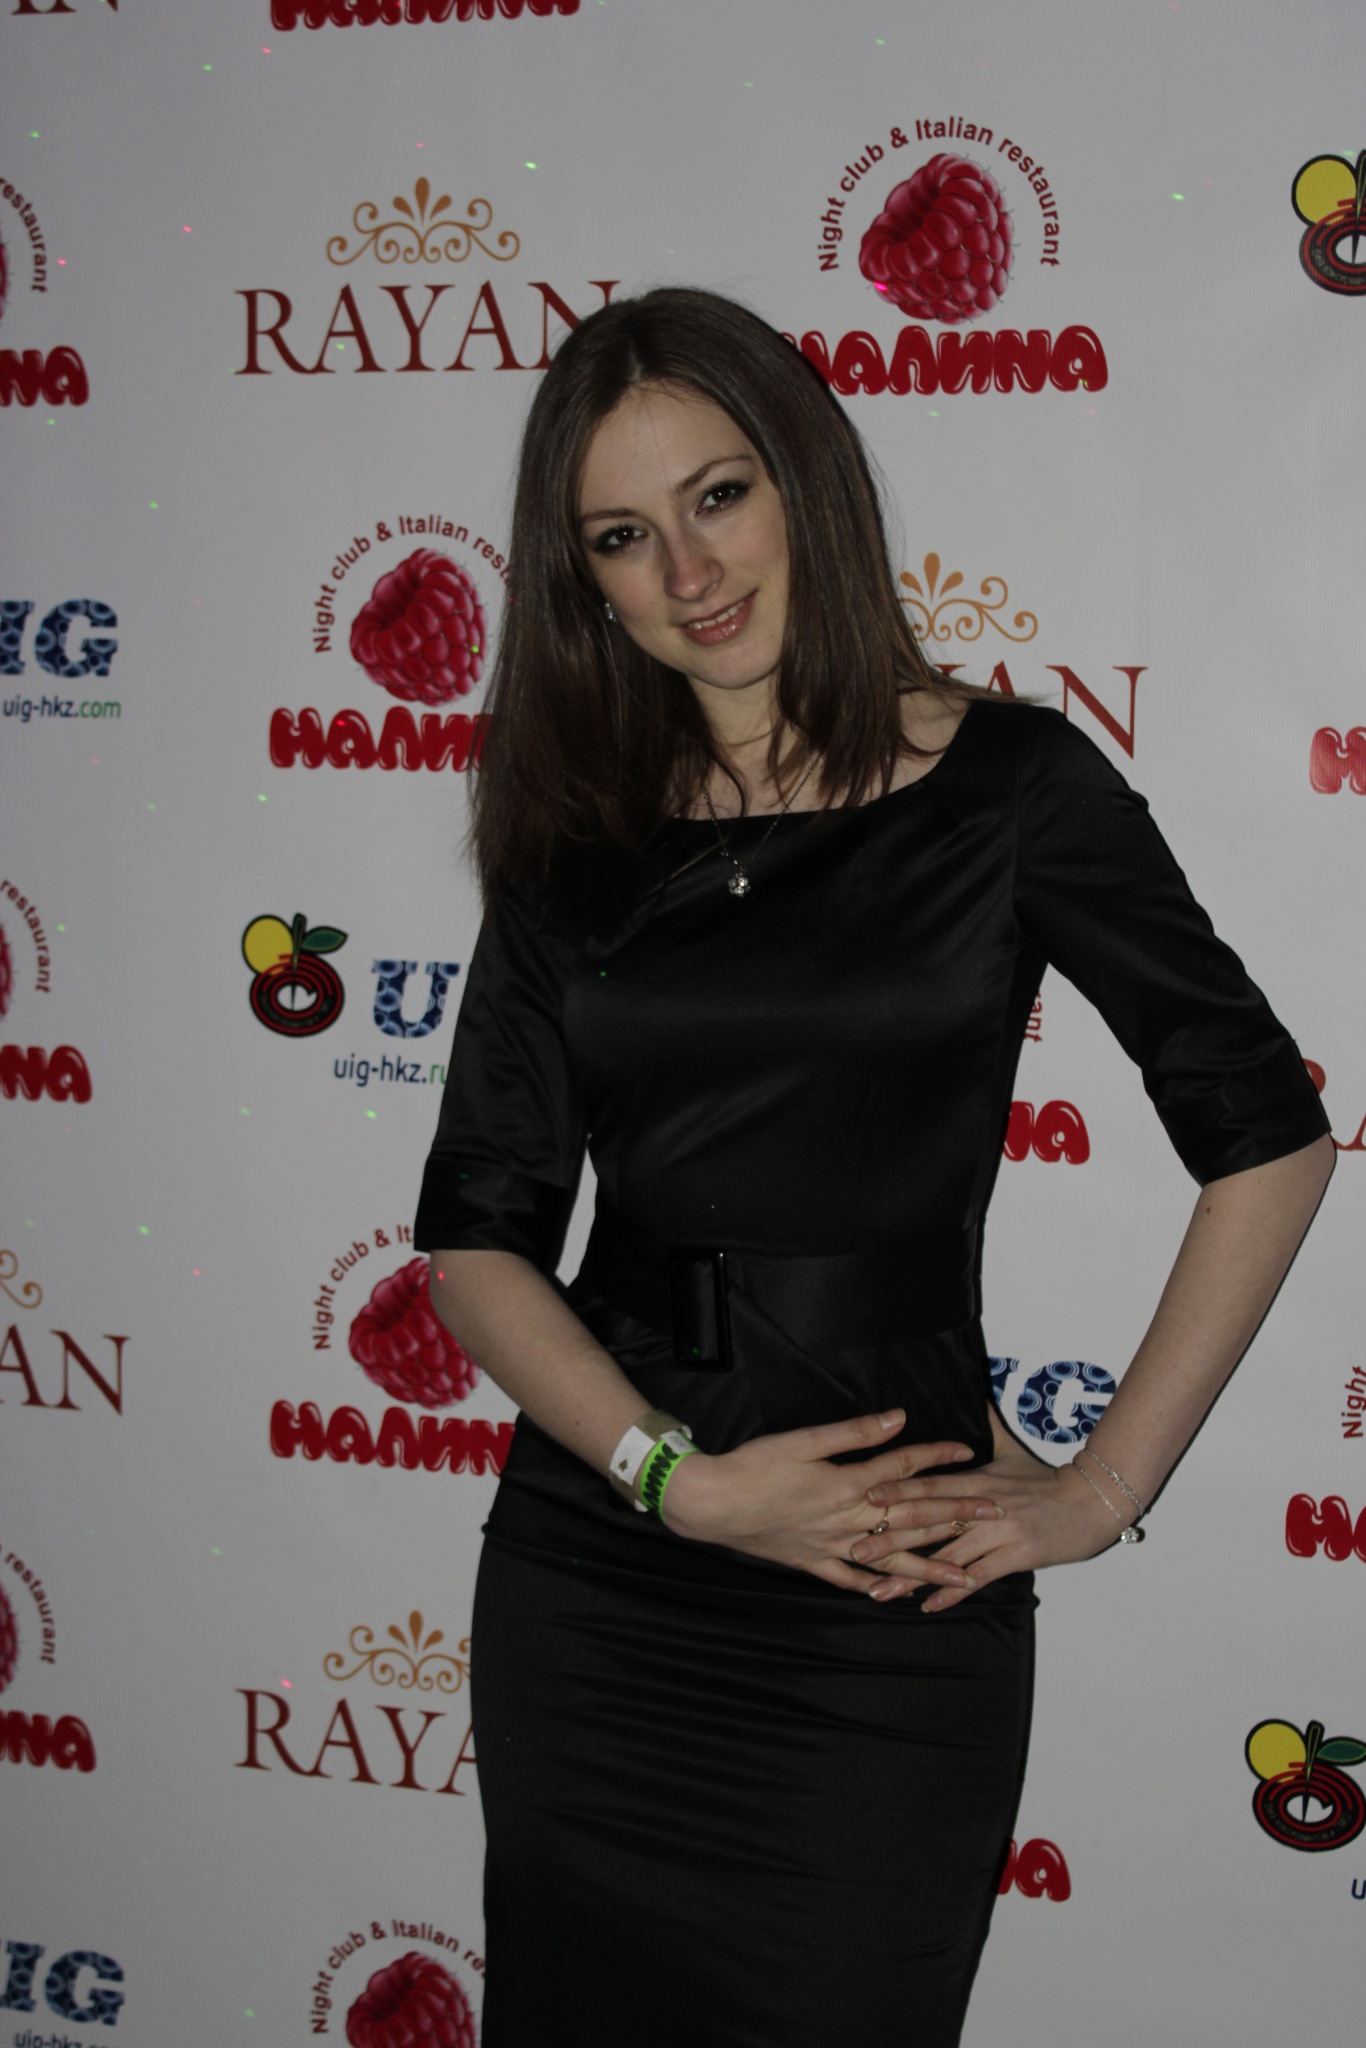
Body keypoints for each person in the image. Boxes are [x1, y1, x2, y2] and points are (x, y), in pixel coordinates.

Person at [415, 286, 1333, 2047]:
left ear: (805, 483)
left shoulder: (1008, 787)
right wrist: (678, 1481)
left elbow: (1267, 1136)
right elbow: (477, 1238)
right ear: (580, 580)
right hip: (607, 1570)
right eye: (621, 534)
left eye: (718, 495)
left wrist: (1100, 1489)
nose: (688, 571)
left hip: (891, 1572)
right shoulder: (571, 835)